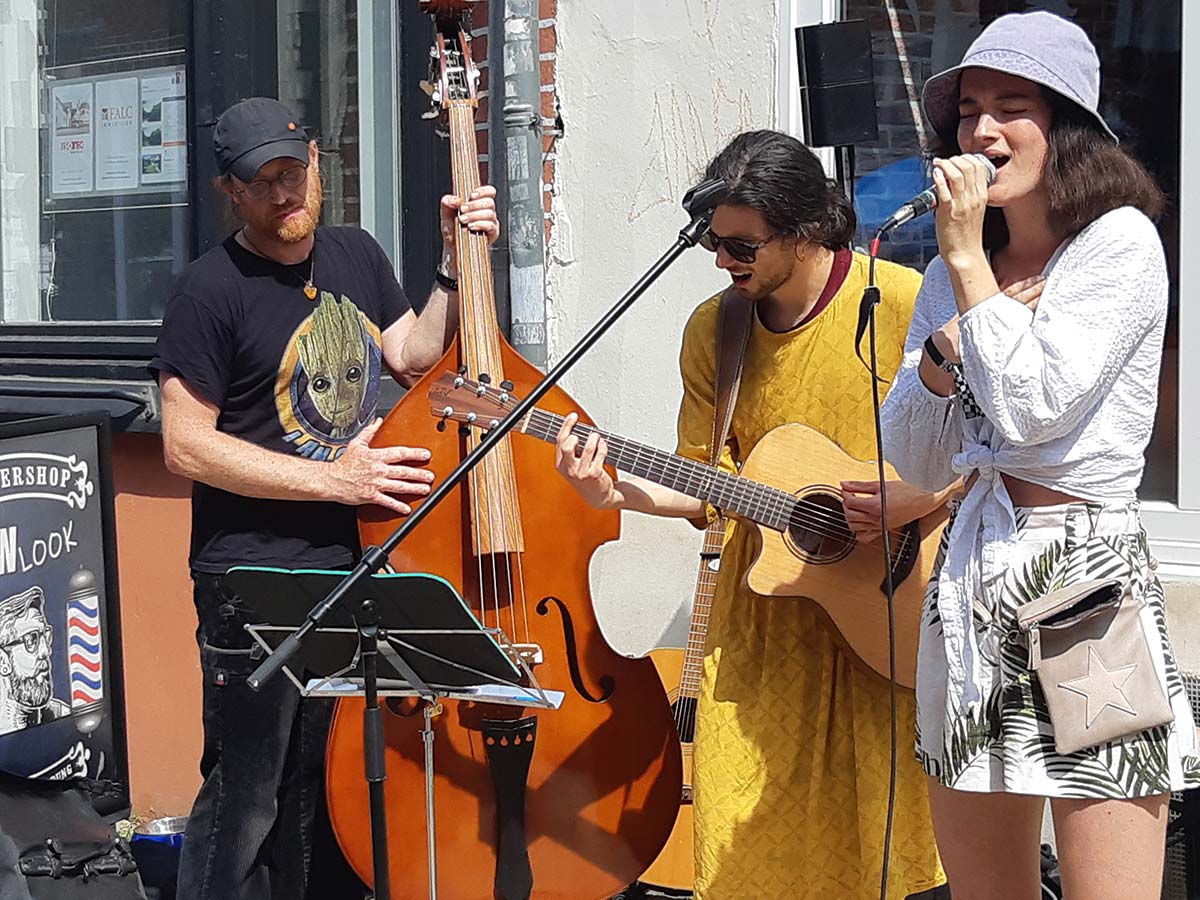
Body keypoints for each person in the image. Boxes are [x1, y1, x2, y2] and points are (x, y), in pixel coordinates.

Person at [554, 129, 950, 899]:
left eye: (742, 244)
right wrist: (614, 492)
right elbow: (707, 483)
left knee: (884, 859)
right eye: (712, 240)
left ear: (805, 230)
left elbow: (986, 452)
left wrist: (920, 498)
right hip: (765, 636)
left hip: (888, 626)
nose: (722, 259)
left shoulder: (901, 303)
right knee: (746, 861)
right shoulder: (717, 329)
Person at [879, 12, 1200, 900]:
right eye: (967, 109)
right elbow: (912, 454)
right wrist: (942, 357)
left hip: (1083, 581)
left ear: (1066, 123)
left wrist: (966, 274)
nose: (979, 132)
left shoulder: (1119, 243)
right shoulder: (954, 267)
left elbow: (1033, 409)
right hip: (972, 578)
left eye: (1009, 106)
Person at [149, 97, 499, 900]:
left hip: (353, 568)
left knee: (324, 786)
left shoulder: (354, 254)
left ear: (315, 162)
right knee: (246, 797)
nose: (284, 196)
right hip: (252, 581)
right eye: (262, 183)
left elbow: (413, 354)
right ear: (227, 191)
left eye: (294, 173)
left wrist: (452, 263)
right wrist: (334, 479)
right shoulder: (208, 292)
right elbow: (185, 446)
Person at [0, 586, 69, 734]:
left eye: (45, 635)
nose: (46, 651)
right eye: (31, 640)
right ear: (3, 661)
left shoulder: (64, 715)